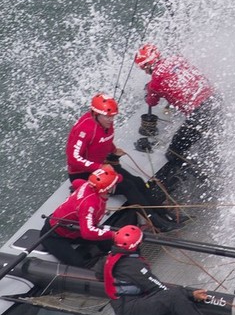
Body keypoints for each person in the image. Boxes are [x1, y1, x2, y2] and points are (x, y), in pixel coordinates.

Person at [102, 225, 235, 315]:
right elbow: (157, 287)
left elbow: (99, 273)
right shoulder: (134, 265)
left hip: (125, 306)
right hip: (131, 309)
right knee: (175, 296)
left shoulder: (111, 257)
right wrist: (190, 294)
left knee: (177, 298)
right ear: (136, 245)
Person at [66, 93, 180, 232]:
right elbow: (73, 159)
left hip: (102, 168)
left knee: (137, 181)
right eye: (108, 116)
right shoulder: (84, 130)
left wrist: (113, 150)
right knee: (128, 186)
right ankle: (156, 222)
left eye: (113, 116)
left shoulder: (105, 123)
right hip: (85, 174)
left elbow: (104, 139)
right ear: (96, 114)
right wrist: (99, 166)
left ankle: (164, 214)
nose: (111, 119)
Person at [134, 44, 219, 194]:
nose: (145, 71)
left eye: (144, 68)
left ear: (148, 65)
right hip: (214, 100)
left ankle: (205, 181)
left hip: (201, 114)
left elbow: (151, 101)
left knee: (173, 152)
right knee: (211, 137)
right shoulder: (177, 59)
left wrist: (149, 91)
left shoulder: (155, 82)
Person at [41, 164, 123, 269]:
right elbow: (88, 232)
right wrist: (113, 234)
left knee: (108, 242)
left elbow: (76, 182)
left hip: (74, 230)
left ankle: (117, 262)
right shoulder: (90, 204)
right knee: (78, 264)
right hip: (54, 235)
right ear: (107, 190)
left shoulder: (88, 185)